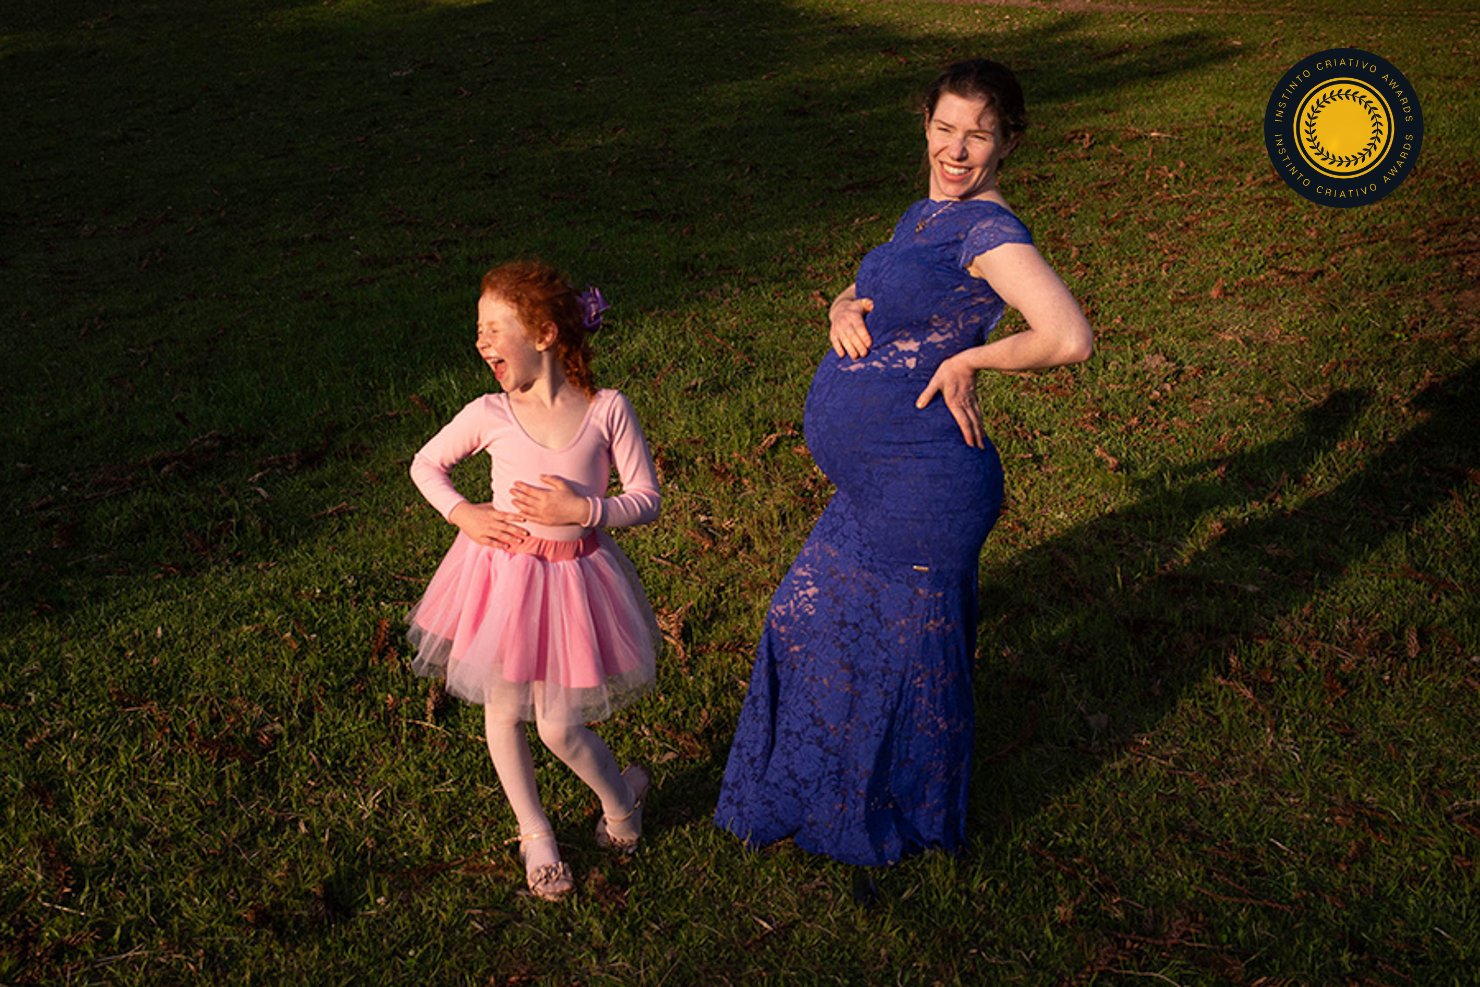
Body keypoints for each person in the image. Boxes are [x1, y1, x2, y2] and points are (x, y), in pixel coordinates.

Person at [714, 59, 1093, 879]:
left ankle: (905, 820)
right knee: (804, 620)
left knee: (901, 660)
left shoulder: (989, 232)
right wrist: (840, 305)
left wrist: (972, 362)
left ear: (1008, 143)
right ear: (926, 125)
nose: (957, 149)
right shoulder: (926, 214)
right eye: (945, 128)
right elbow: (875, 281)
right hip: (875, 482)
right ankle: (827, 794)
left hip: (927, 487)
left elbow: (1068, 335)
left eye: (978, 136)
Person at [406, 260, 661, 901]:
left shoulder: (607, 410)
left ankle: (622, 802)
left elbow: (646, 498)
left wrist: (585, 510)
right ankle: (535, 833)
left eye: (495, 329)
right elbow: (426, 464)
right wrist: (464, 514)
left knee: (558, 728)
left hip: (575, 583)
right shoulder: (489, 412)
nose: (481, 342)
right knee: (502, 713)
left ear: (545, 335)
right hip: (503, 581)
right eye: (479, 329)